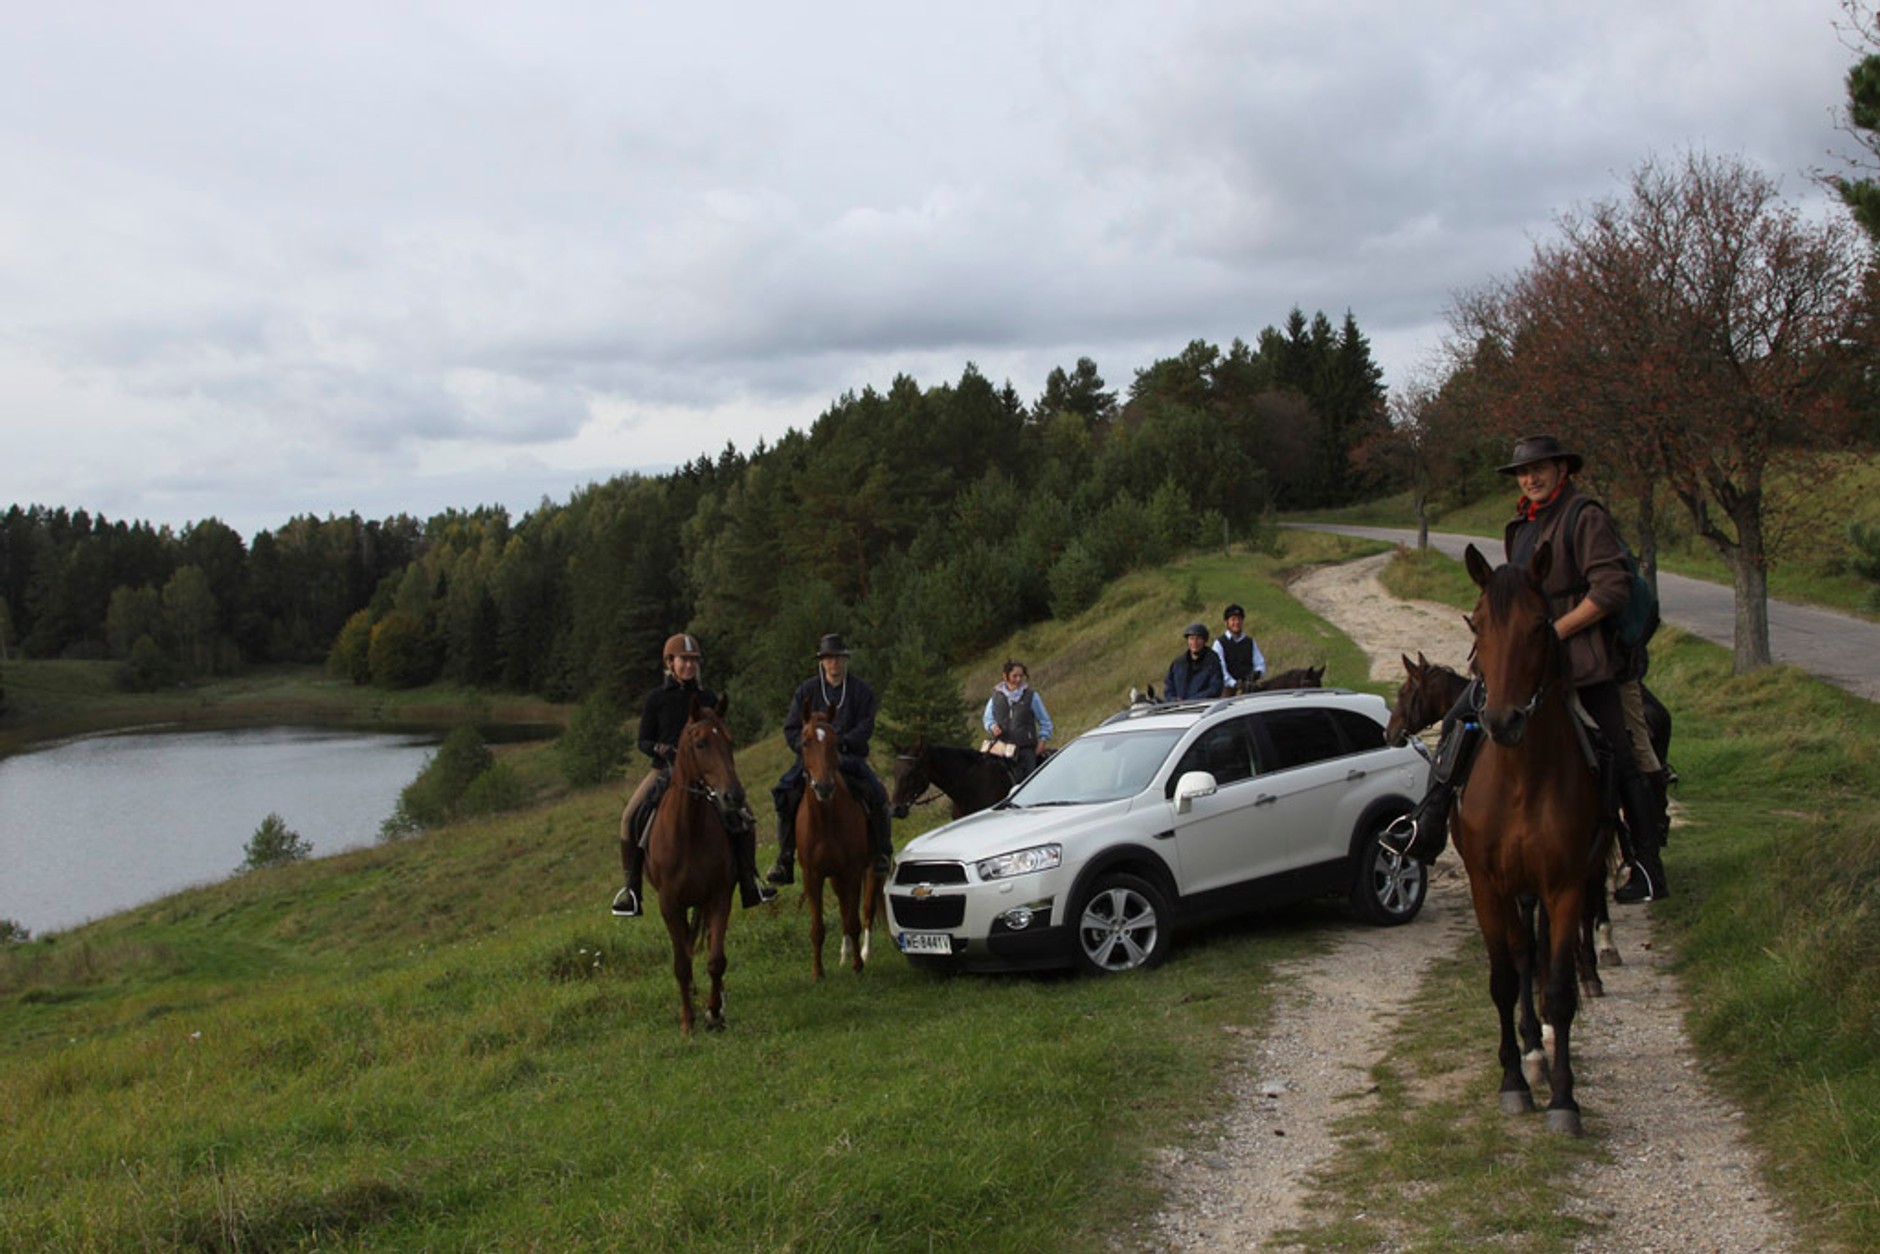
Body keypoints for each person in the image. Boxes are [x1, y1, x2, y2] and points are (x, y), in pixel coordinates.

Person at [1383, 435, 1670, 903]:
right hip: (1528, 658)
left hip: (1586, 659)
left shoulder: (1585, 517)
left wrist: (1556, 630)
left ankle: (1645, 861)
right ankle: (1428, 822)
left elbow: (1612, 589)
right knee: (1459, 718)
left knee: (1624, 745)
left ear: (1563, 469)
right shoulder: (1521, 528)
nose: (1530, 478)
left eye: (1540, 469)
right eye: (1523, 472)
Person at [612, 633, 777, 918]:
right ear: (670, 663)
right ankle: (632, 890)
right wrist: (659, 748)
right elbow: (643, 741)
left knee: (745, 815)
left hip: (705, 773)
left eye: (693, 661)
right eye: (683, 661)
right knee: (629, 818)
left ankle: (751, 881)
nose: (689, 666)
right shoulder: (656, 699)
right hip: (664, 769)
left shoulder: (707, 697)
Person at [768, 633, 895, 884]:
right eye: (828, 659)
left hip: (849, 757)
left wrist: (842, 743)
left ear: (844, 660)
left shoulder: (861, 690)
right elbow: (791, 728)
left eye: (837, 658)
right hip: (812, 761)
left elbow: (866, 725)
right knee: (783, 792)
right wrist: (806, 749)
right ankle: (784, 859)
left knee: (877, 794)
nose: (833, 663)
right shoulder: (807, 690)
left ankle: (881, 852)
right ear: (822, 662)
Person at [983, 659, 1053, 776]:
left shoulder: (1031, 696)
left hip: (1025, 747)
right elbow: (988, 718)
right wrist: (992, 727)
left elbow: (1045, 721)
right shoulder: (996, 696)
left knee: (1029, 779)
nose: (1018, 679)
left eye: (1021, 676)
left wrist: (1042, 741)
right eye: (1014, 676)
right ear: (1005, 676)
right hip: (1001, 747)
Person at [1213, 603, 1267, 694]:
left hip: (1250, 688)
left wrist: (1257, 673)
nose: (1237, 623)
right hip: (1229, 690)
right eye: (1233, 620)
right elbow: (1220, 671)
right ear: (1226, 622)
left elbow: (1260, 663)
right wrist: (1235, 684)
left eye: (1239, 619)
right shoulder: (1219, 644)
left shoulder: (1250, 642)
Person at [1164, 622, 1226, 702]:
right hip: (1178, 709)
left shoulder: (1213, 662)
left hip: (1203, 709)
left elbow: (1215, 689)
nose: (1194, 643)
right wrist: (1173, 699)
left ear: (1204, 641)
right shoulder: (1178, 664)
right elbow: (1169, 687)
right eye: (1191, 638)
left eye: (1198, 639)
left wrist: (1191, 701)